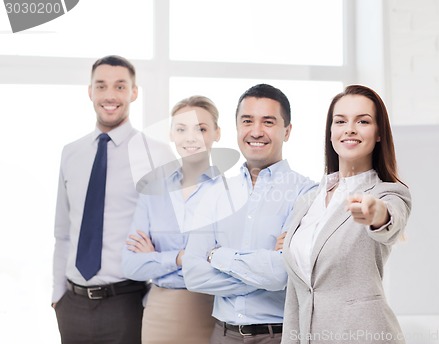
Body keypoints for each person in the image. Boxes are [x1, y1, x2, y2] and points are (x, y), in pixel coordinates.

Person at [182, 83, 317, 344]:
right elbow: (193, 274)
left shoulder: (307, 193)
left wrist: (216, 255)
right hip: (222, 335)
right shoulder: (215, 192)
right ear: (237, 128)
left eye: (268, 122)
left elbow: (280, 274)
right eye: (247, 121)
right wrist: (264, 273)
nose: (256, 131)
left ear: (287, 131)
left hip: (277, 337)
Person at [280, 84, 412, 344]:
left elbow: (390, 219)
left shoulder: (388, 193)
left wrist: (376, 214)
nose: (350, 128)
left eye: (362, 121)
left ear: (378, 134)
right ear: (331, 132)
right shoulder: (308, 202)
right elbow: (297, 295)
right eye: (340, 121)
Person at [52, 55, 157, 344]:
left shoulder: (153, 155)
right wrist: (57, 295)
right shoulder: (71, 153)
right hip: (71, 305)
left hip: (127, 303)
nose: (110, 95)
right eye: (101, 86)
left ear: (134, 93)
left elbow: (170, 236)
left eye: (120, 86)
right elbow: (62, 233)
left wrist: (150, 300)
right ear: (90, 92)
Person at [122, 96, 223, 343]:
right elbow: (131, 265)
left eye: (201, 129)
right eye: (181, 129)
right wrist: (180, 257)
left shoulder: (230, 192)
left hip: (211, 309)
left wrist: (156, 257)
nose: (191, 137)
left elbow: (227, 264)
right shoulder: (153, 191)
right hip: (159, 312)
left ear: (216, 134)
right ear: (171, 134)